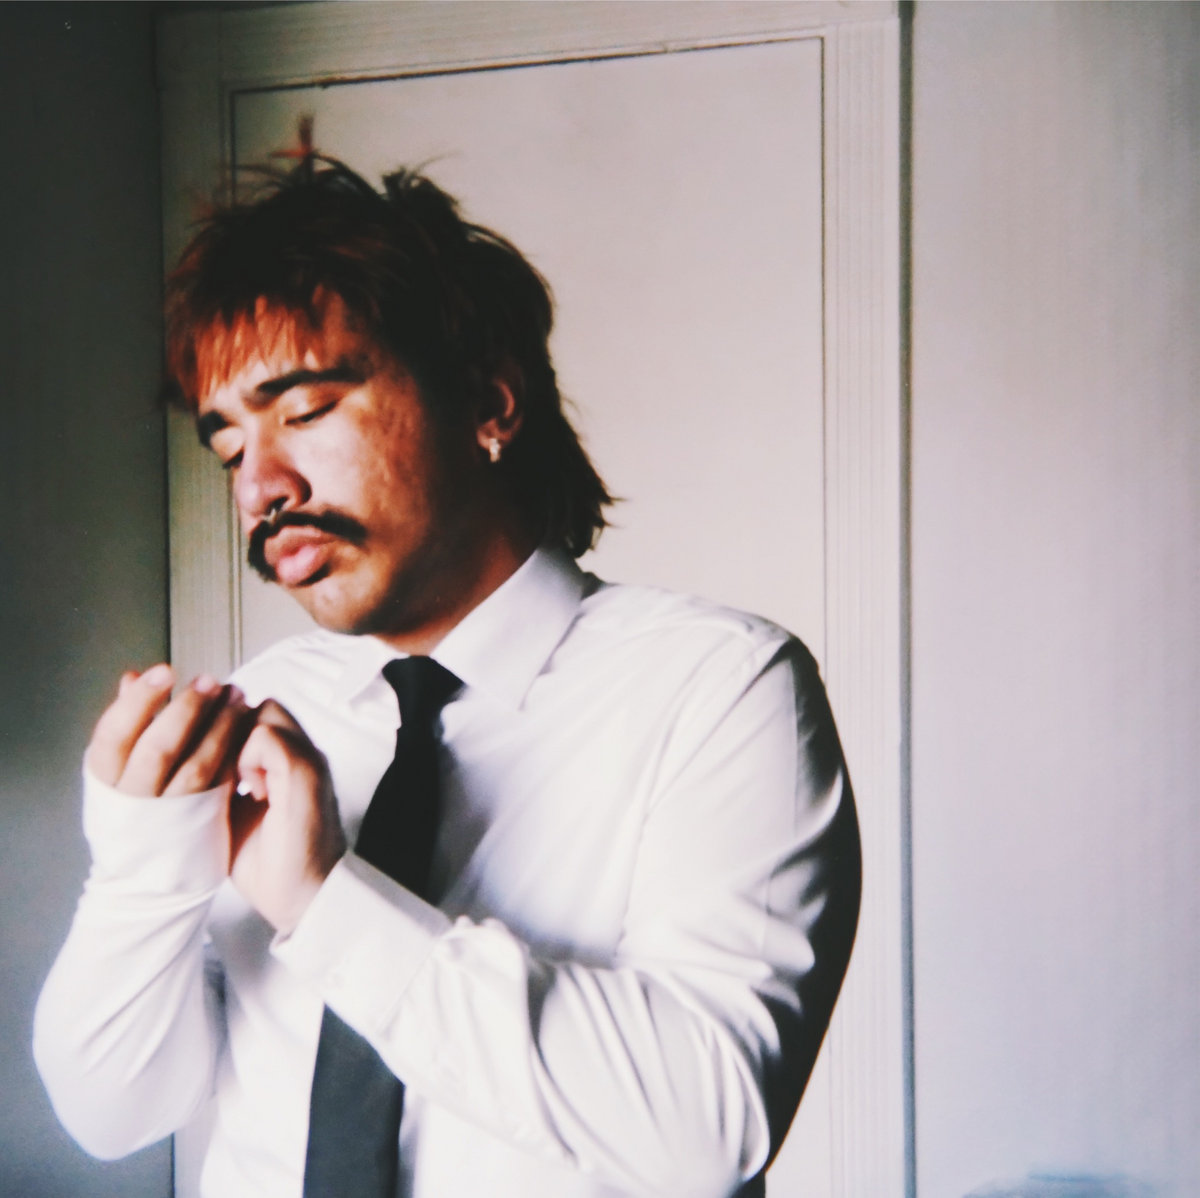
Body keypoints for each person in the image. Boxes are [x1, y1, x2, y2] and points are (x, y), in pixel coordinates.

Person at [34, 152, 861, 1198]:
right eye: (230, 448)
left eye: (305, 410)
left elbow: (708, 1128)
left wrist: (325, 902)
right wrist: (140, 863)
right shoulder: (269, 704)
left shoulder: (721, 691)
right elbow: (112, 1113)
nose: (260, 489)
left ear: (488, 402)